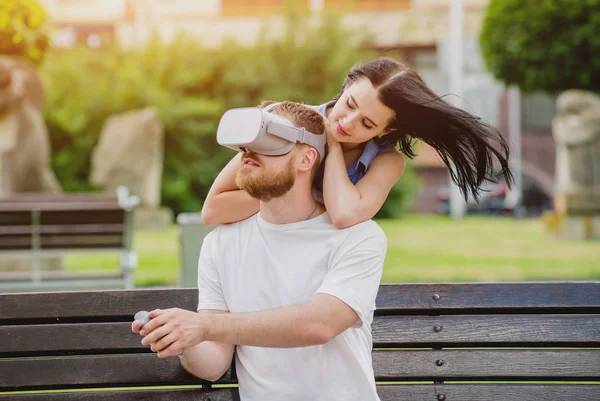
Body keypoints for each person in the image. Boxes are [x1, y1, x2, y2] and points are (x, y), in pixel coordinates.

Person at [132, 101, 387, 401]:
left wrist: (205, 325)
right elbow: (214, 364)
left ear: (306, 159)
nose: (247, 152)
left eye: (269, 141)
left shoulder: (358, 237)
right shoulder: (220, 243)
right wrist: (184, 340)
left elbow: (320, 324)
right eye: (247, 143)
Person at [201, 57, 513, 229]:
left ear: (385, 130)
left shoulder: (387, 162)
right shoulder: (290, 123)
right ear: (346, 85)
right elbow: (213, 210)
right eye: (349, 104)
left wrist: (332, 146)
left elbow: (344, 216)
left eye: (366, 123)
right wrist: (303, 197)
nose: (346, 123)